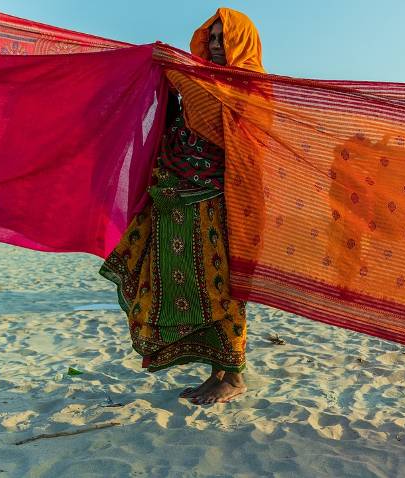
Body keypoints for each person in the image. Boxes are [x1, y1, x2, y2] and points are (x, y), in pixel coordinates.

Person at [99, 8, 264, 405]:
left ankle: (234, 374)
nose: (216, 44)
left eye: (225, 37)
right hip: (174, 201)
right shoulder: (196, 81)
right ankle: (217, 371)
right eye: (212, 35)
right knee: (193, 288)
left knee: (224, 289)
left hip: (218, 205)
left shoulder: (252, 87)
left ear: (243, 42)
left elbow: (214, 123)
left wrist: (178, 74)